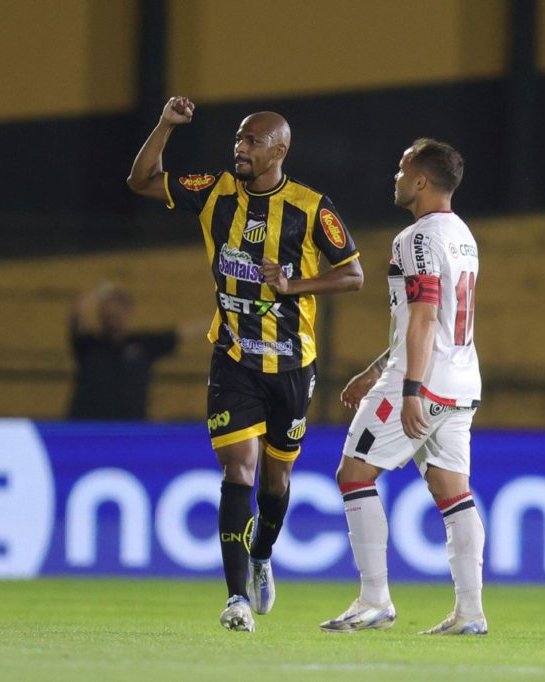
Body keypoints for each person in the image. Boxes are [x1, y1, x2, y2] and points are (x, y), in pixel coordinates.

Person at [127, 96, 364, 632]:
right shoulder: (214, 193)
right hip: (233, 357)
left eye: (252, 141)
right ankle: (236, 598)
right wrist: (164, 125)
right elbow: (141, 181)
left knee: (276, 479)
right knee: (240, 469)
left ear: (279, 150)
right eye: (238, 138)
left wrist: (293, 285)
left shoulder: (310, 207)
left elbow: (353, 275)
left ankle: (261, 554)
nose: (240, 148)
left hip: (290, 365)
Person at [319, 139, 486, 635]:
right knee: (452, 491)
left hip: (423, 381)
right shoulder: (462, 235)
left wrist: (409, 388)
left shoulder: (413, 239)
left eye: (401, 168)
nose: (395, 177)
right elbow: (433, 321)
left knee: (353, 473)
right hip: (460, 380)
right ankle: (470, 613)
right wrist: (375, 371)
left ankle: (374, 600)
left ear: (420, 181)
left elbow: (424, 316)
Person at [68, 282, 182, 420]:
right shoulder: (89, 345)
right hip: (87, 427)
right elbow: (78, 312)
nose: (113, 316)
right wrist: (101, 291)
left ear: (128, 312)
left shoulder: (143, 344)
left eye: (118, 310)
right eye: (108, 312)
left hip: (131, 430)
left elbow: (184, 333)